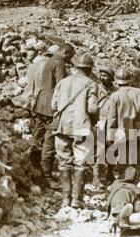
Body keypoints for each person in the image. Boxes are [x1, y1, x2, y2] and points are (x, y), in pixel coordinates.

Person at [51, 54, 99, 208]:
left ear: (76, 67)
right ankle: (77, 200)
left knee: (64, 162)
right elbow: (92, 109)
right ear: (90, 69)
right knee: (80, 163)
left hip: (62, 127)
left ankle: (65, 199)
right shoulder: (91, 84)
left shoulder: (63, 82)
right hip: (81, 128)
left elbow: (54, 106)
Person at [32, 43, 74, 188]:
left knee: (37, 137)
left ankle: (34, 169)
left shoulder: (48, 61)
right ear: (66, 53)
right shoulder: (60, 63)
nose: (70, 60)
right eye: (70, 56)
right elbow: (61, 87)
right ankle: (47, 177)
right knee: (49, 143)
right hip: (51, 107)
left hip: (40, 104)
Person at [106, 68, 140, 178]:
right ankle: (135, 180)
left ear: (116, 80)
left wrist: (110, 135)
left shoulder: (115, 96)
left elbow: (112, 117)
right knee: (136, 158)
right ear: (130, 79)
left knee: (123, 159)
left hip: (122, 131)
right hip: (138, 130)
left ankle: (124, 181)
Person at [93, 65, 116, 187]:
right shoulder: (96, 89)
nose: (103, 77)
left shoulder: (116, 91)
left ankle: (110, 173)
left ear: (111, 78)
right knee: (98, 149)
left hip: (112, 123)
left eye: (106, 75)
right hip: (99, 121)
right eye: (101, 74)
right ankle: (96, 177)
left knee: (112, 149)